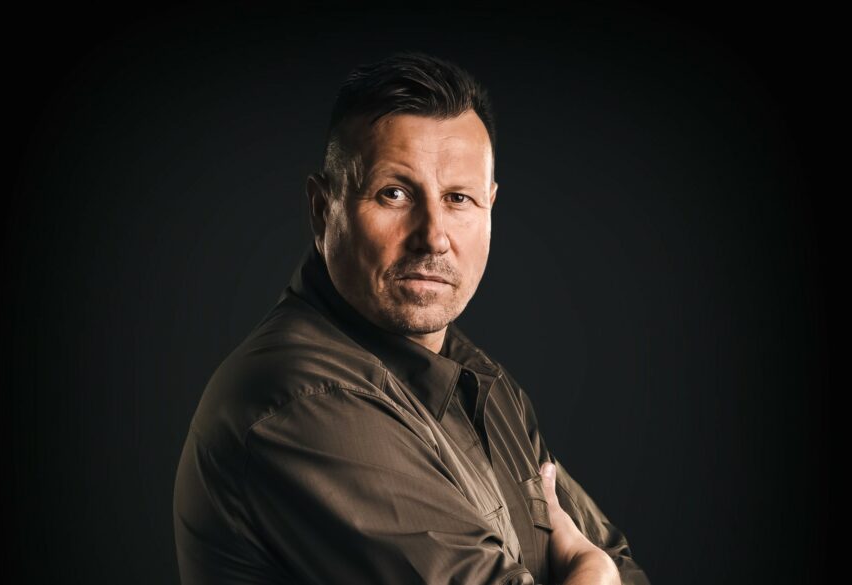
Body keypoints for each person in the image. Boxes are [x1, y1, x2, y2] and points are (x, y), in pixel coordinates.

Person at [173, 51, 651, 585]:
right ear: (322, 208)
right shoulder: (304, 402)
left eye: (458, 198)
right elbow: (605, 564)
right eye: (394, 194)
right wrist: (591, 569)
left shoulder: (481, 383)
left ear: (490, 208)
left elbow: (627, 567)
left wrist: (602, 566)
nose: (434, 236)